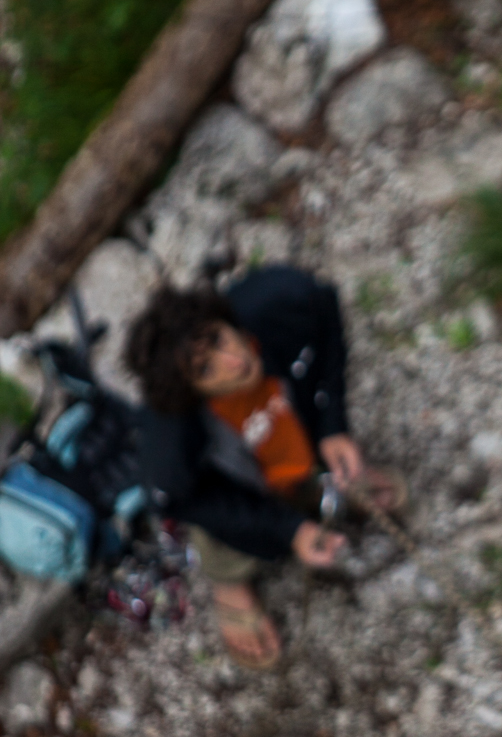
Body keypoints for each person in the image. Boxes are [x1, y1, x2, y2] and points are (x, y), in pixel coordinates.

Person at [124, 266, 395, 670]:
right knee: (217, 523)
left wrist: (333, 424)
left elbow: (326, 312)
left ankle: (322, 477)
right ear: (190, 390)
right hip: (233, 483)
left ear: (224, 320)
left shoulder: (284, 303)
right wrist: (290, 530)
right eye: (204, 369)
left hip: (288, 431)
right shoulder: (174, 449)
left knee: (307, 422)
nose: (234, 361)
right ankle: (228, 580)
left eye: (218, 339)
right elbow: (186, 500)